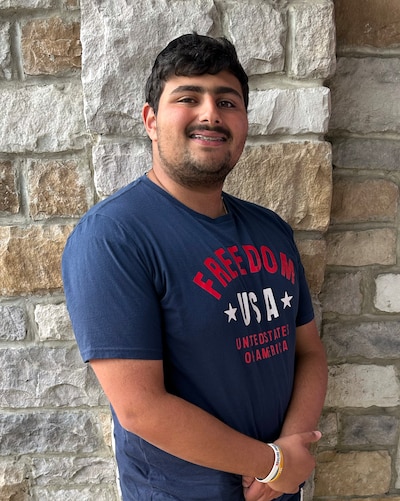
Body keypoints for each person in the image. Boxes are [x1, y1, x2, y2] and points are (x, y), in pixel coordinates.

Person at [62, 33, 327, 501]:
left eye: (228, 101)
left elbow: (308, 351)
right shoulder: (113, 237)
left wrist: (290, 454)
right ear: (150, 119)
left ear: (243, 122)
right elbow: (141, 408)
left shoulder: (272, 231)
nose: (211, 114)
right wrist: (272, 464)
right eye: (188, 97)